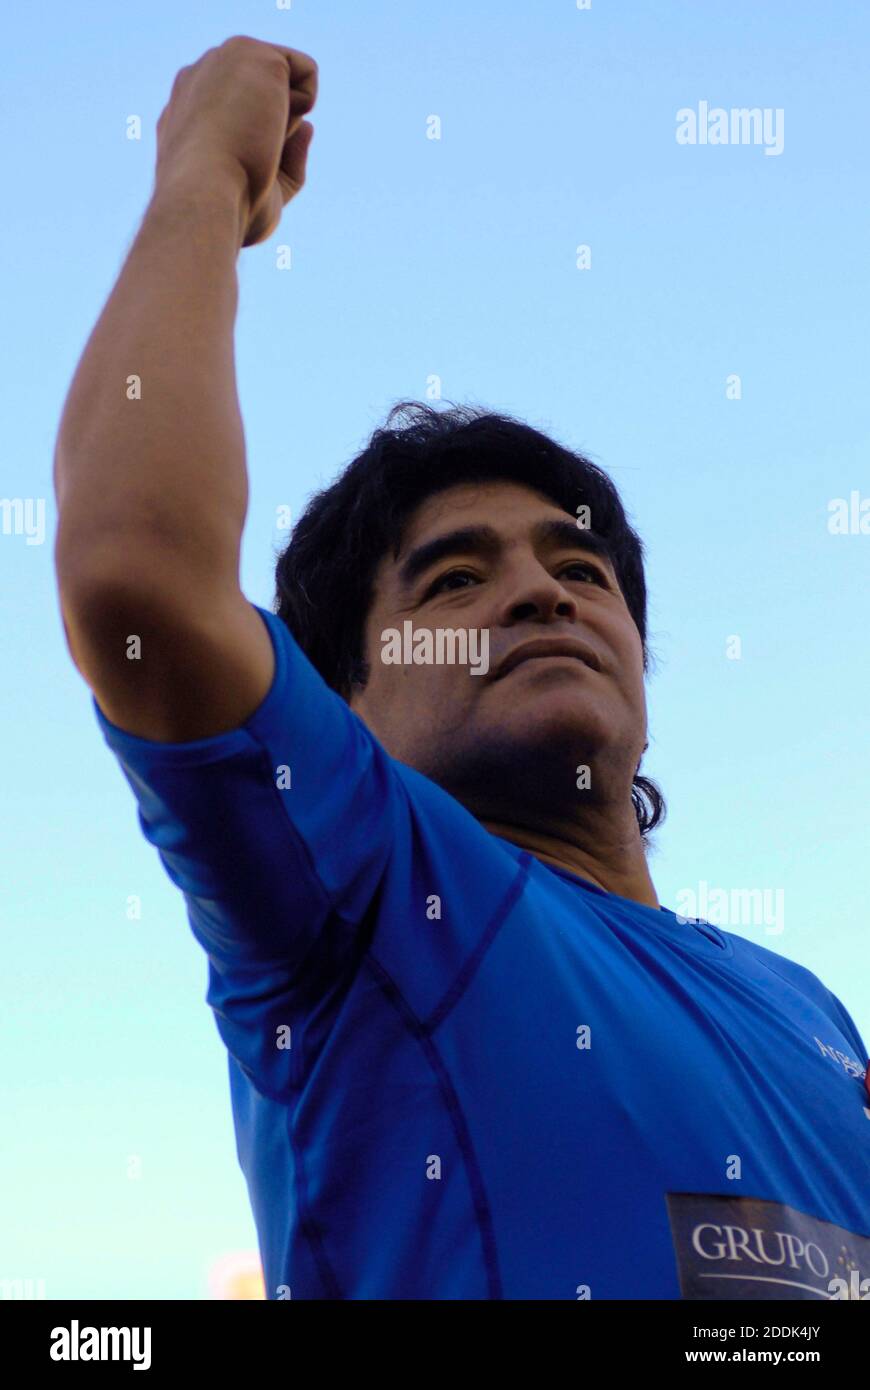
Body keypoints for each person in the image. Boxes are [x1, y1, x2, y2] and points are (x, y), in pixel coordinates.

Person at [53, 36, 870, 1301]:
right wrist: (205, 174)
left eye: (582, 568)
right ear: (339, 705)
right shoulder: (374, 888)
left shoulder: (810, 1008)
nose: (545, 589)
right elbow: (138, 580)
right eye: (454, 578)